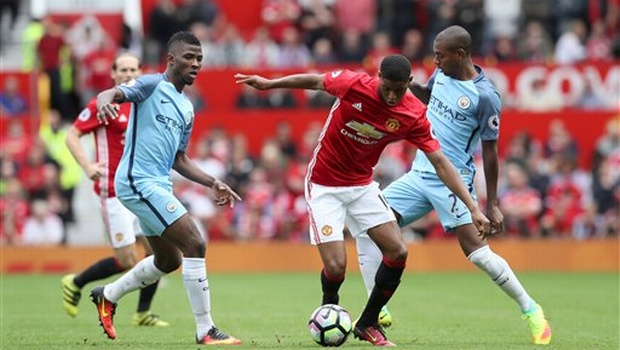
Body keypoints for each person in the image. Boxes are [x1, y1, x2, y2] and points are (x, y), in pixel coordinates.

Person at [235, 54, 491, 347]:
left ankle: (368, 323)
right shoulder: (354, 84)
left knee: (397, 252)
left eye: (399, 89)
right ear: (378, 76)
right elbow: (315, 80)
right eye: (387, 87)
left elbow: (441, 163)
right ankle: (329, 310)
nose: (393, 95)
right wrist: (270, 85)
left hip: (361, 185)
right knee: (336, 269)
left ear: (409, 83)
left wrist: (473, 208)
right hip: (324, 184)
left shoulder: (413, 114)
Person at [356, 26, 552, 345]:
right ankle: (378, 310)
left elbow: (490, 154)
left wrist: (491, 204)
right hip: (420, 173)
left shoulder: (485, 97)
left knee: (476, 253)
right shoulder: (442, 76)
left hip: (453, 181)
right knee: (367, 224)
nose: (435, 61)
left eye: (440, 55)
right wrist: (408, 87)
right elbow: (432, 97)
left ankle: (531, 310)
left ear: (460, 55)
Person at [91, 31, 242, 345]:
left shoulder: (187, 108)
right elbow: (112, 94)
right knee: (195, 244)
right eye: (189, 57)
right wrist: (105, 101)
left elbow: (180, 159)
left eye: (199, 59)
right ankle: (206, 330)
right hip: (136, 181)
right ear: (171, 59)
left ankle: (108, 294)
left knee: (169, 261)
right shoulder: (150, 85)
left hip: (157, 184)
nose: (196, 64)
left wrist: (212, 181)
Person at [62, 53, 169, 327]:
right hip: (113, 190)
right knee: (126, 259)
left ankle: (142, 312)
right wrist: (87, 166)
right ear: (113, 74)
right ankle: (76, 282)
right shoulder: (105, 103)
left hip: (142, 188)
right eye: (123, 69)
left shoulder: (144, 102)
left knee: (160, 253)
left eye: (133, 69)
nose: (128, 74)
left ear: (140, 71)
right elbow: (72, 134)